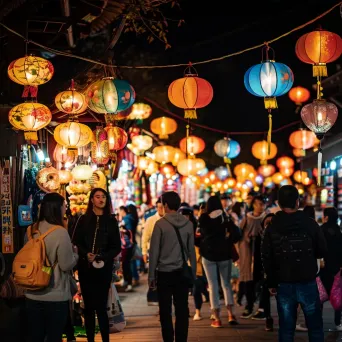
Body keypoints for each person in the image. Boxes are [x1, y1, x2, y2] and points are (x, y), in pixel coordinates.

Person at [262, 185, 327, 342]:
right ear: (297, 202)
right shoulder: (310, 223)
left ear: (279, 203)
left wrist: (271, 282)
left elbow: (266, 256)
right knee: (315, 327)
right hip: (307, 280)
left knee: (286, 328)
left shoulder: (272, 226)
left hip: (283, 281)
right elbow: (322, 250)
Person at [25, 192, 78, 342]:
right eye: (64, 206)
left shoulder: (31, 230)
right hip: (55, 295)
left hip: (31, 293)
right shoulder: (60, 232)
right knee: (54, 337)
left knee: (36, 336)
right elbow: (66, 264)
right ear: (57, 208)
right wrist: (76, 255)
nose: (65, 209)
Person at [73, 188, 121, 342]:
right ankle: (91, 339)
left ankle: (105, 338)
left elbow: (116, 246)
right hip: (86, 268)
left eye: (104, 197)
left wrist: (102, 257)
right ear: (91, 199)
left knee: (101, 306)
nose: (101, 200)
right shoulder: (83, 219)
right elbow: (76, 242)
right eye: (97, 197)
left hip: (103, 268)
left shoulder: (111, 220)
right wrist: (86, 254)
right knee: (88, 306)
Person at [149, 191, 196, 342]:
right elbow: (191, 252)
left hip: (164, 274)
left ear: (166, 205)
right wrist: (193, 274)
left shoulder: (160, 224)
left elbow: (154, 252)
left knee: (165, 311)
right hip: (182, 273)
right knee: (182, 310)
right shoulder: (188, 224)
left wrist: (151, 276)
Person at [200, 195, 241, 327]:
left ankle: (216, 318)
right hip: (224, 254)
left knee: (213, 286)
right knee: (226, 285)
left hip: (208, 255)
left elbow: (199, 233)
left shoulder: (204, 217)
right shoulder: (225, 217)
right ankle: (231, 315)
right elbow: (236, 234)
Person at [178, 205, 209, 321]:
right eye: (182, 216)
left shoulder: (196, 228)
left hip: (196, 260)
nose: (184, 219)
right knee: (183, 288)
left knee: (197, 286)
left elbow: (199, 241)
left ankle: (198, 311)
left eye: (186, 216)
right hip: (182, 262)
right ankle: (185, 311)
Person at [238, 195, 266, 318]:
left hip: (262, 253)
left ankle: (262, 308)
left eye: (263, 204)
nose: (262, 206)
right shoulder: (247, 217)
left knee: (261, 281)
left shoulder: (267, 217)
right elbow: (239, 235)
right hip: (248, 253)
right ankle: (249, 306)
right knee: (248, 280)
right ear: (254, 204)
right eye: (259, 204)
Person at [251, 213, 275, 331]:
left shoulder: (279, 236)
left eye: (271, 223)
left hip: (278, 270)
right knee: (265, 294)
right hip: (265, 270)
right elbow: (257, 257)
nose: (269, 225)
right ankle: (268, 318)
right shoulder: (259, 237)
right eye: (267, 223)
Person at [320, 207, 342, 330]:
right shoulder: (338, 232)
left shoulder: (321, 230)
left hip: (323, 268)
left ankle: (318, 320)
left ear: (327, 217)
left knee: (321, 295)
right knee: (337, 295)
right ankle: (338, 322)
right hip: (336, 269)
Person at [142, 197, 164, 306]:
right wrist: (144, 252)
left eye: (162, 207)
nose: (161, 210)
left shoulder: (168, 219)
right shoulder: (150, 220)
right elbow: (145, 237)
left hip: (166, 253)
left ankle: (162, 297)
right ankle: (153, 297)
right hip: (153, 252)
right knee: (153, 276)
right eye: (159, 207)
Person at [119, 206, 134, 292]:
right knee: (126, 264)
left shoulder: (126, 219)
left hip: (126, 245)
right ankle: (127, 281)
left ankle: (129, 283)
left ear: (122, 211)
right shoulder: (128, 218)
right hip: (126, 245)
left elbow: (129, 231)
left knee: (126, 264)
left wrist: (123, 230)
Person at [127, 204, 140, 285]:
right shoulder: (135, 218)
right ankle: (136, 277)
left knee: (131, 261)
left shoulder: (129, 218)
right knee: (133, 261)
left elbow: (130, 231)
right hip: (133, 241)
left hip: (130, 242)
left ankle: (135, 278)